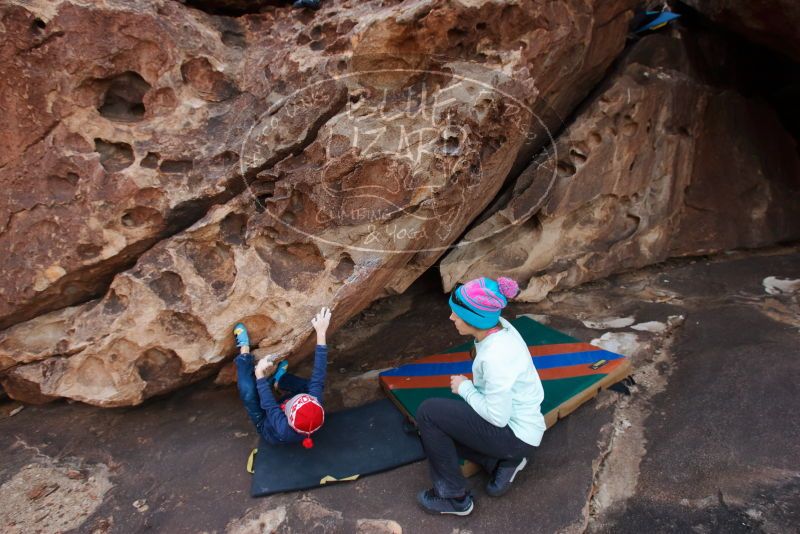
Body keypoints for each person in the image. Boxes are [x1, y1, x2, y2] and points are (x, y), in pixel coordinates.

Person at [415, 277, 546, 516]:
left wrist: (465, 388)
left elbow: (497, 417)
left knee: (428, 413)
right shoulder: (499, 325)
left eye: (456, 314)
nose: (451, 318)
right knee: (431, 428)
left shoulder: (495, 357)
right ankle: (500, 463)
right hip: (521, 430)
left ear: (474, 319)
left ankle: (454, 498)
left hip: (514, 435)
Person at [233, 307, 331, 448]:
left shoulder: (284, 428)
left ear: (288, 416)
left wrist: (259, 373)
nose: (294, 398)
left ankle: (243, 351)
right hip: (288, 411)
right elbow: (319, 375)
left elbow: (269, 404)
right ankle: (279, 382)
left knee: (248, 392)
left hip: (266, 421)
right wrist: (321, 333)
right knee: (312, 386)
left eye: (293, 401)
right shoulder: (315, 405)